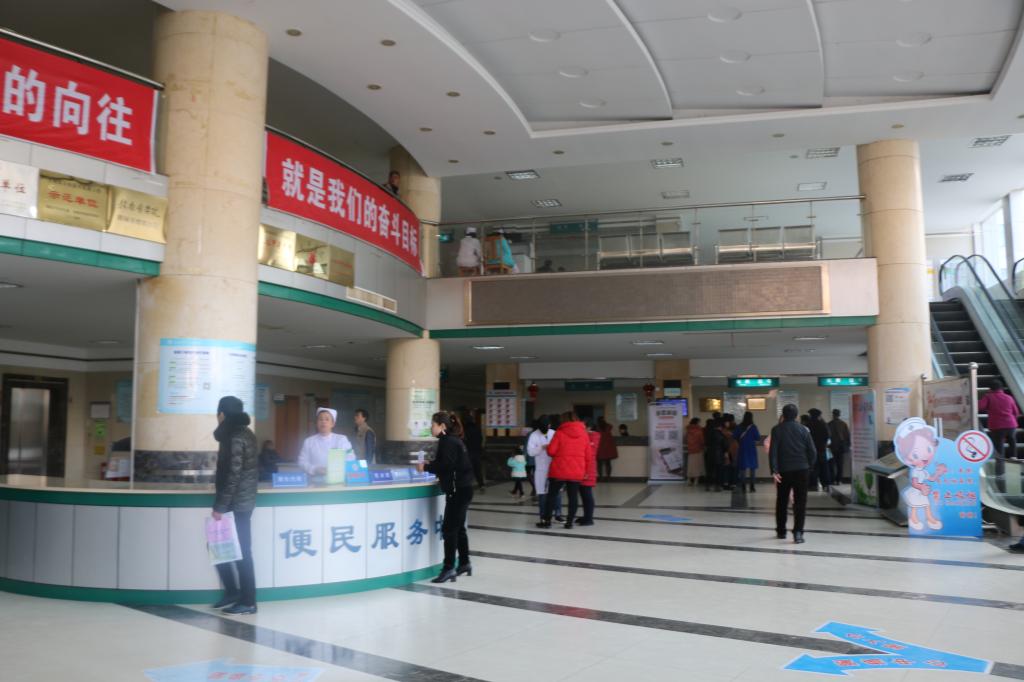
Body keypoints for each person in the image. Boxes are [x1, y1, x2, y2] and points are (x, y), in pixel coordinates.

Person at [211, 396, 259, 615]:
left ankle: (248, 601)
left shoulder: (235, 436)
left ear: (222, 414)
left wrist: (220, 506)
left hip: (237, 504)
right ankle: (232, 592)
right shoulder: (241, 433)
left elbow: (233, 475)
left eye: (218, 412)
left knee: (241, 551)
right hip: (238, 501)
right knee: (219, 546)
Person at [420, 412, 475, 583]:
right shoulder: (454, 440)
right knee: (459, 528)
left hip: (458, 491)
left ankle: (449, 568)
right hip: (464, 488)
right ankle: (464, 563)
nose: (431, 427)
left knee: (449, 530)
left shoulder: (448, 441)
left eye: (433, 424)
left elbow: (446, 465)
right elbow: (451, 464)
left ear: (442, 426)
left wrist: (426, 467)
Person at [769, 404, 818, 544]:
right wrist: (809, 466)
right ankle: (798, 533)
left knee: (782, 501)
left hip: (783, 471)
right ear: (796, 415)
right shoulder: (804, 429)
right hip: (802, 470)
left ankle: (781, 531)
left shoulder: (776, 430)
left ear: (783, 415)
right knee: (800, 502)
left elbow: (773, 452)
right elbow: (812, 451)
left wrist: (774, 470)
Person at [537, 412, 588, 529]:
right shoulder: (584, 434)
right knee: (573, 497)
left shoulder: (559, 433)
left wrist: (548, 447)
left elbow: (551, 452)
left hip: (559, 470)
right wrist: (585, 470)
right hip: (576, 471)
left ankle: (547, 521)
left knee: (552, 495)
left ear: (563, 420)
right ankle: (569, 523)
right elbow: (588, 455)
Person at [297, 408, 354, 476]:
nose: (323, 422)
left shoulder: (341, 439)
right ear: (317, 423)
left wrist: (336, 469)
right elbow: (302, 461)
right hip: (314, 479)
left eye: (327, 419)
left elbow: (351, 457)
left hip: (337, 477)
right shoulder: (308, 441)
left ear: (333, 424)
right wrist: (314, 469)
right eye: (320, 419)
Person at [527, 416, 562, 521]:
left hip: (554, 467)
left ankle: (558, 514)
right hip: (541, 468)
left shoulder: (554, 433)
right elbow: (530, 452)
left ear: (549, 425)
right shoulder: (534, 435)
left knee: (557, 492)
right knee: (542, 493)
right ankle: (543, 516)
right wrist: (541, 447)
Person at [979, 380, 1020, 459]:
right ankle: (1014, 458)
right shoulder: (1009, 397)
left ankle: (1001, 462)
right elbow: (1016, 412)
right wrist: (1012, 422)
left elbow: (980, 406)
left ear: (990, 389)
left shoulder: (988, 397)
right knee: (1012, 442)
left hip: (997, 426)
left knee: (999, 445)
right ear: (1001, 388)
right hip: (1011, 425)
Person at [576, 421, 600, 526]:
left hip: (588, 469)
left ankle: (589, 518)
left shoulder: (593, 436)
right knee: (583, 494)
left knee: (587, 494)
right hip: (583, 468)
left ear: (589, 427)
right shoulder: (588, 436)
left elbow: (589, 453)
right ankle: (586, 516)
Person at [734, 412, 761, 493]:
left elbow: (734, 436)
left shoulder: (739, 426)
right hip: (751, 449)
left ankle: (743, 487)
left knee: (743, 468)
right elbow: (758, 437)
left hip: (742, 449)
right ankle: (752, 487)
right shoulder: (753, 427)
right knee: (752, 469)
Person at [806, 408, 830, 492]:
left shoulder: (808, 424)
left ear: (811, 415)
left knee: (813, 468)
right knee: (824, 467)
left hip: (811, 450)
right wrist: (823, 443)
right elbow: (828, 435)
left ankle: (813, 485)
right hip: (821, 449)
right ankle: (825, 484)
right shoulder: (823, 424)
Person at [462, 410, 486, 491]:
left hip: (468, 452)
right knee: (477, 469)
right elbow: (480, 439)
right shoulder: (477, 428)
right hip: (477, 451)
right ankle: (481, 485)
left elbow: (464, 440)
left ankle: (467, 485)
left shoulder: (465, 429)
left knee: (468, 469)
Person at [828, 409, 851, 483]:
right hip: (841, 447)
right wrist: (848, 446)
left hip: (832, 447)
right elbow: (847, 436)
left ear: (833, 414)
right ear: (839, 415)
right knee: (840, 464)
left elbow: (827, 436)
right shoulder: (843, 424)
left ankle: (832, 480)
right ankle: (839, 480)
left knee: (831, 464)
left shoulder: (829, 424)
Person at [703, 417, 725, 491]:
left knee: (709, 471)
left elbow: (706, 443)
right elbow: (724, 445)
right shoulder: (720, 434)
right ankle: (717, 486)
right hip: (718, 454)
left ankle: (708, 485)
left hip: (709, 454)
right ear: (719, 426)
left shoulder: (708, 433)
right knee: (718, 471)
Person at [596, 416, 618, 481]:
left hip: (600, 448)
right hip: (608, 448)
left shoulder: (597, 428)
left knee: (599, 464)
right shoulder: (609, 427)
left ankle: (600, 477)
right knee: (608, 463)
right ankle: (608, 477)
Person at [685, 418, 704, 486]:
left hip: (690, 450)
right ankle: (696, 480)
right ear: (697, 422)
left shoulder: (688, 430)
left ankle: (689, 480)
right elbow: (702, 441)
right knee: (697, 465)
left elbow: (685, 439)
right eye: (699, 422)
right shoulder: (699, 430)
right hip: (698, 450)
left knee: (690, 465)